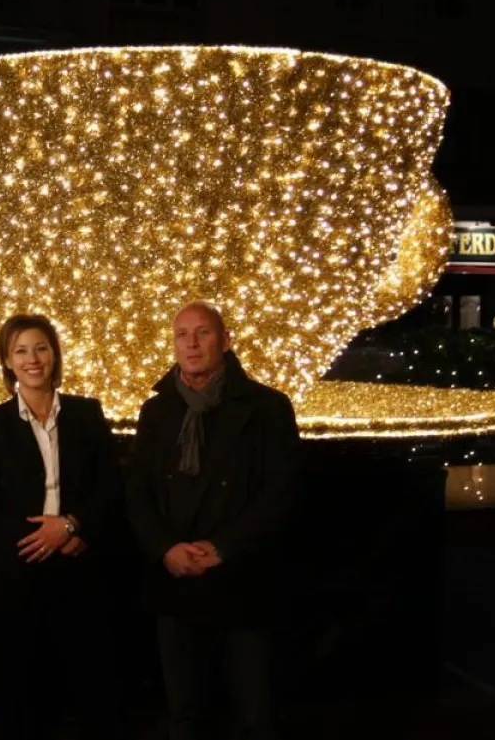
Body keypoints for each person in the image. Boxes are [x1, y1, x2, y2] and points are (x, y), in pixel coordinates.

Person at [126, 301, 300, 740]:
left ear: (225, 340)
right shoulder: (157, 411)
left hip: (243, 578)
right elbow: (137, 494)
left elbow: (279, 494)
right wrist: (166, 549)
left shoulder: (268, 409)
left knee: (254, 713)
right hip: (176, 581)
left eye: (202, 333)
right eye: (182, 334)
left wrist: (223, 549)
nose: (191, 344)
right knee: (185, 715)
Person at [0, 314, 123, 740]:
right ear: (6, 360)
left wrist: (75, 527)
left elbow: (110, 488)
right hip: (18, 576)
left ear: (54, 355)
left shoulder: (86, 414)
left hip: (80, 569)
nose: (32, 359)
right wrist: (38, 539)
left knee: (92, 693)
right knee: (23, 699)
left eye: (40, 348)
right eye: (21, 350)